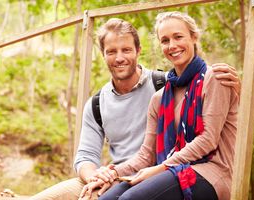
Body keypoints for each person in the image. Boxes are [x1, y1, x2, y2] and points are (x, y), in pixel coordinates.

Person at [31, 18, 240, 200]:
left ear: (138, 51)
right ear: (102, 55)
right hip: (130, 172)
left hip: (181, 171)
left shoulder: (174, 81)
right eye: (111, 51)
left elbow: (212, 123)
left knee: (130, 197)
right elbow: (93, 156)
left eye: (126, 50)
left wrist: (238, 89)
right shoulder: (159, 96)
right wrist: (105, 174)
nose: (119, 57)